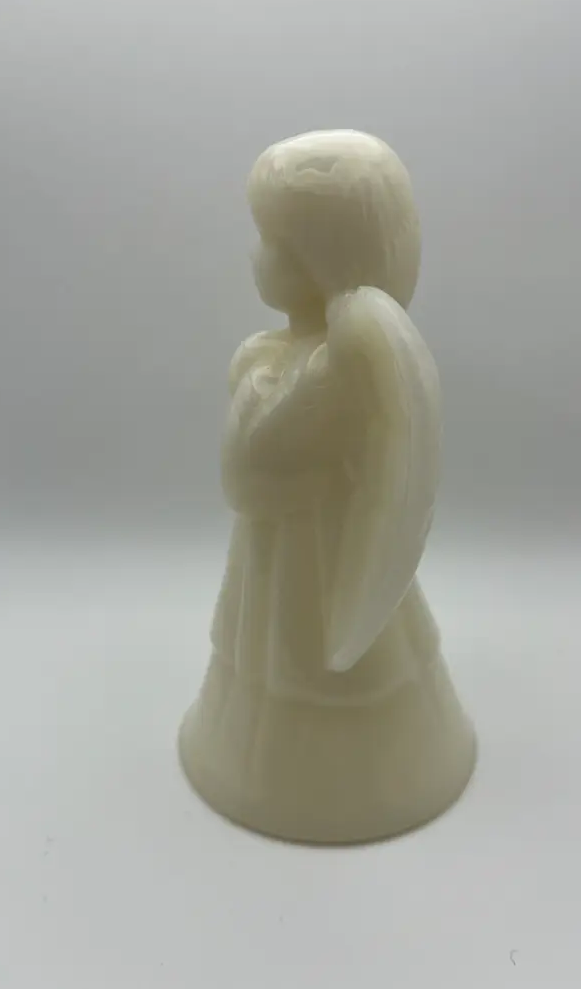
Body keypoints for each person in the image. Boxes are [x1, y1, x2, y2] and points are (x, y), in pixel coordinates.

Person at [180, 130, 475, 843]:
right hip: (276, 556)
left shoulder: (337, 367)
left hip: (322, 558)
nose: (256, 257)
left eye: (275, 244)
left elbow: (247, 471)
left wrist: (269, 388)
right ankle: (278, 766)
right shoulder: (286, 356)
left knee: (322, 651)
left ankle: (358, 779)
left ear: (323, 260)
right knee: (269, 660)